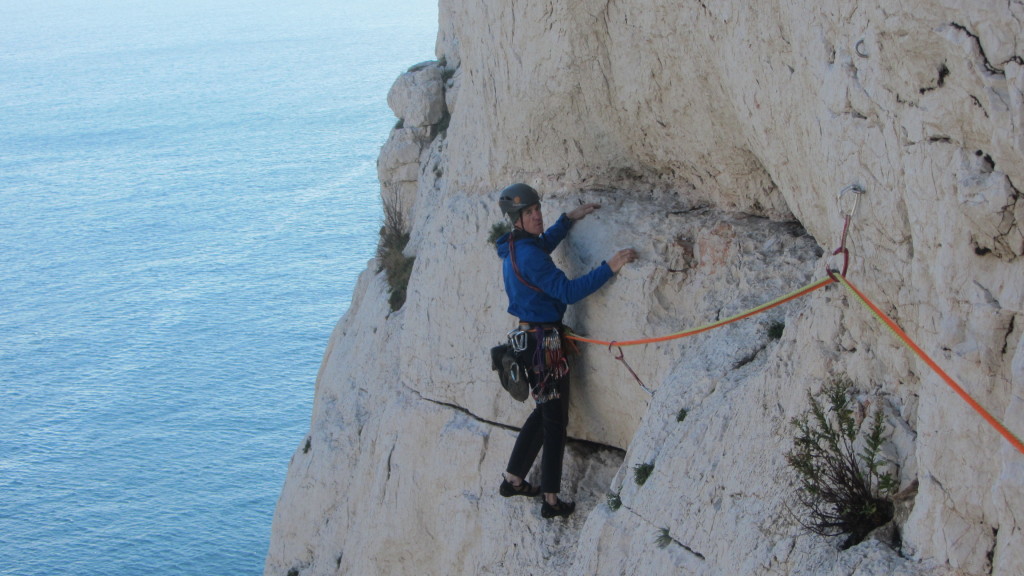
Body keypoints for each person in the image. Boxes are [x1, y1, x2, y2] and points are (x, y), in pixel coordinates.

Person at [493, 183, 637, 519]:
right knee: (556, 422)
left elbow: (542, 245)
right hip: (545, 346)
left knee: (544, 412)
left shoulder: (515, 246)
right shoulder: (528, 254)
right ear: (516, 218)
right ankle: (552, 501)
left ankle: (514, 478)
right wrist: (609, 266)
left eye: (537, 209)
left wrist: (567, 220)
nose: (536, 215)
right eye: (529, 212)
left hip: (529, 340)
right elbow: (568, 292)